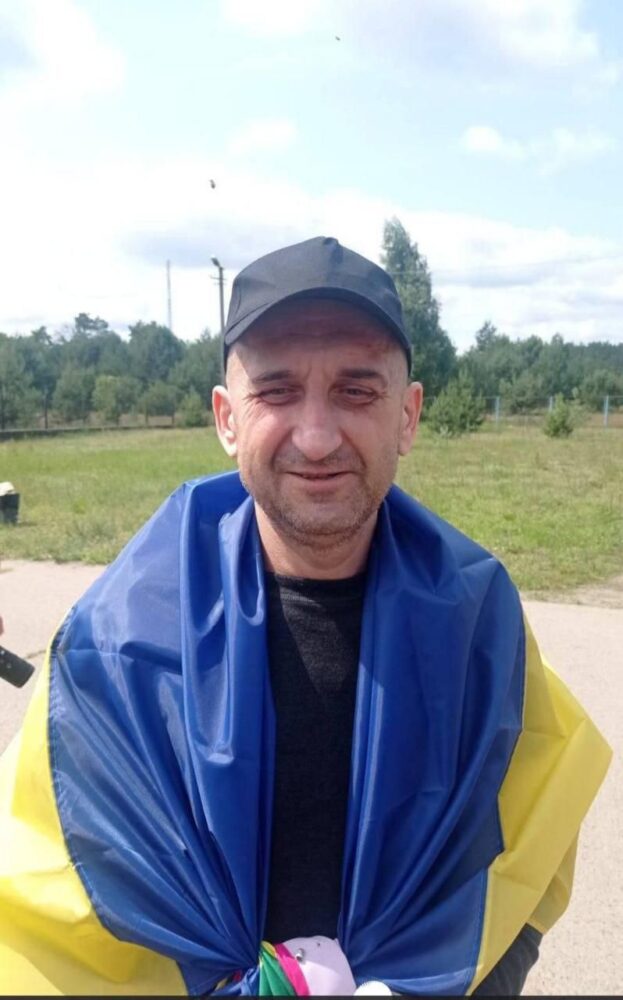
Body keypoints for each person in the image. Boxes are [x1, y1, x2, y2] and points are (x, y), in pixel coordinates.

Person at [0, 237, 611, 997]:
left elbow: (527, 850)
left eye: (356, 391)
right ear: (227, 418)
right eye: (277, 391)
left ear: (408, 416)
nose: (316, 438)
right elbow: (45, 885)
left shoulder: (479, 626)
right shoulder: (115, 643)